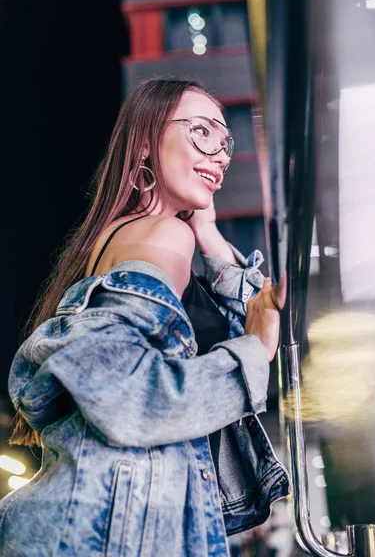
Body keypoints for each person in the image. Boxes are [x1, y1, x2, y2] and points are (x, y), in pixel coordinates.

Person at [0, 76, 289, 556]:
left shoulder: (145, 239)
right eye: (201, 131)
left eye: (225, 140)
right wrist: (254, 352)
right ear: (146, 143)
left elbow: (264, 309)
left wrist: (210, 234)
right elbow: (131, 395)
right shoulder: (160, 237)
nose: (219, 153)